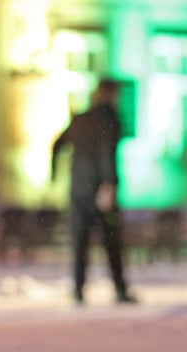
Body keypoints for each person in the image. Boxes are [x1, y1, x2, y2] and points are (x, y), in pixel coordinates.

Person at [51, 78, 137, 305]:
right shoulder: (109, 118)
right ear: (109, 95)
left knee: (80, 241)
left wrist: (53, 177)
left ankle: (79, 289)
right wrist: (108, 184)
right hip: (101, 191)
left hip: (78, 190)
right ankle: (119, 289)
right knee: (111, 241)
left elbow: (57, 145)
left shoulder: (80, 119)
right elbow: (105, 151)